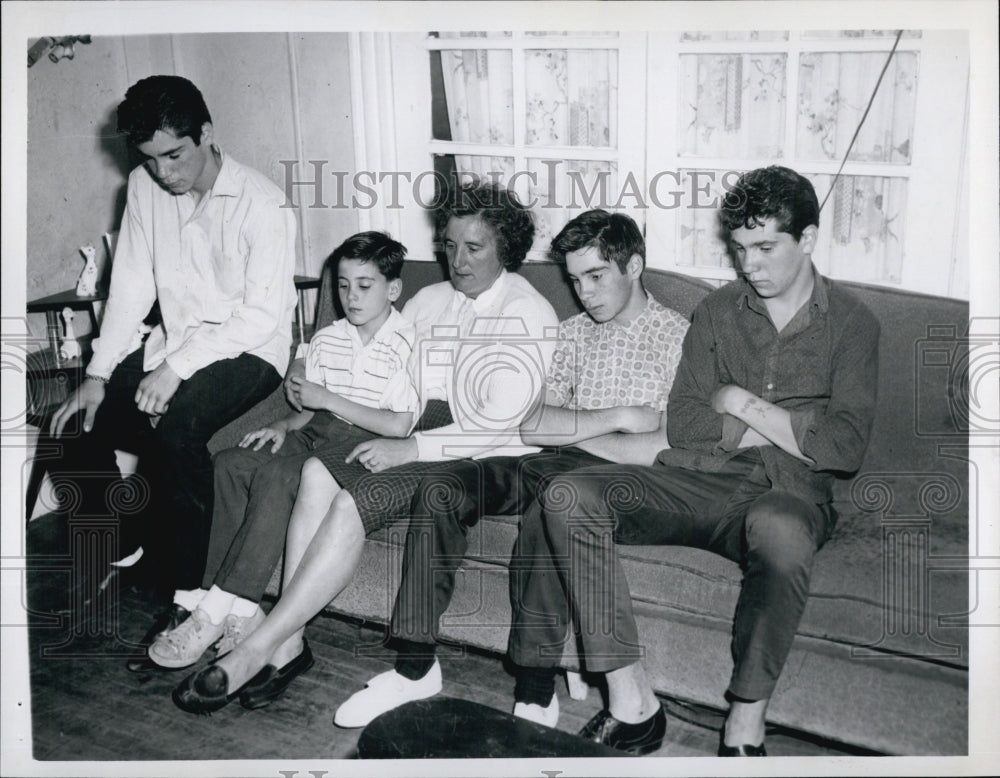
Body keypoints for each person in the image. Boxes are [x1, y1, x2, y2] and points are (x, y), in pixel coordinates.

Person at [509, 166, 880, 756]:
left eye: (764, 247)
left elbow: (842, 448)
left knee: (782, 530)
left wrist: (740, 402)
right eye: (739, 249)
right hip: (699, 480)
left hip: (786, 494)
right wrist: (787, 427)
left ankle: (744, 724)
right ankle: (631, 702)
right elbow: (685, 423)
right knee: (565, 494)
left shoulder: (854, 325)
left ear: (807, 239)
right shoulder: (717, 312)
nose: (748, 265)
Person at [170, 182, 559, 714]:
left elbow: (499, 421)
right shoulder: (430, 299)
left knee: (355, 499)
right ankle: (292, 643)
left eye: (475, 248)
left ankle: (259, 649)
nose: (457, 260)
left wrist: (412, 446)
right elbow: (366, 361)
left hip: (482, 451)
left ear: (506, 249)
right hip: (411, 428)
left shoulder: (527, 312)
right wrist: (303, 404)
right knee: (313, 473)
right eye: (449, 244)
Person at [331, 209, 690, 743]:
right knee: (441, 486)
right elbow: (534, 423)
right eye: (574, 280)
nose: (583, 294)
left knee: (554, 505)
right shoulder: (571, 334)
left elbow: (664, 443)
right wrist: (613, 419)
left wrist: (580, 435)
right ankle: (414, 667)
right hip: (544, 457)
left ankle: (534, 688)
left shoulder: (678, 336)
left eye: (595, 277)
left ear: (634, 265)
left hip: (612, 481)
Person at [47, 76, 297, 629]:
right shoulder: (142, 186)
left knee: (178, 429)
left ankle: (191, 590)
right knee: (69, 422)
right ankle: (126, 541)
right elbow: (132, 285)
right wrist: (96, 372)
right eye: (151, 158)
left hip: (252, 348)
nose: (165, 172)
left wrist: (175, 369)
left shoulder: (263, 203)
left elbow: (259, 315)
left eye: (175, 155)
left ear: (206, 133)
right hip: (175, 340)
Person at [139, 231, 419, 671]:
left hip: (364, 443)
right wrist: (280, 425)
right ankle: (241, 613)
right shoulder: (329, 338)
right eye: (343, 285)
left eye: (365, 286)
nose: (351, 296)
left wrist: (325, 399)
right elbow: (308, 412)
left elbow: (399, 424)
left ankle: (212, 612)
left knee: (277, 476)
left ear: (394, 289)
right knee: (231, 463)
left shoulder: (407, 341)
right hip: (318, 432)